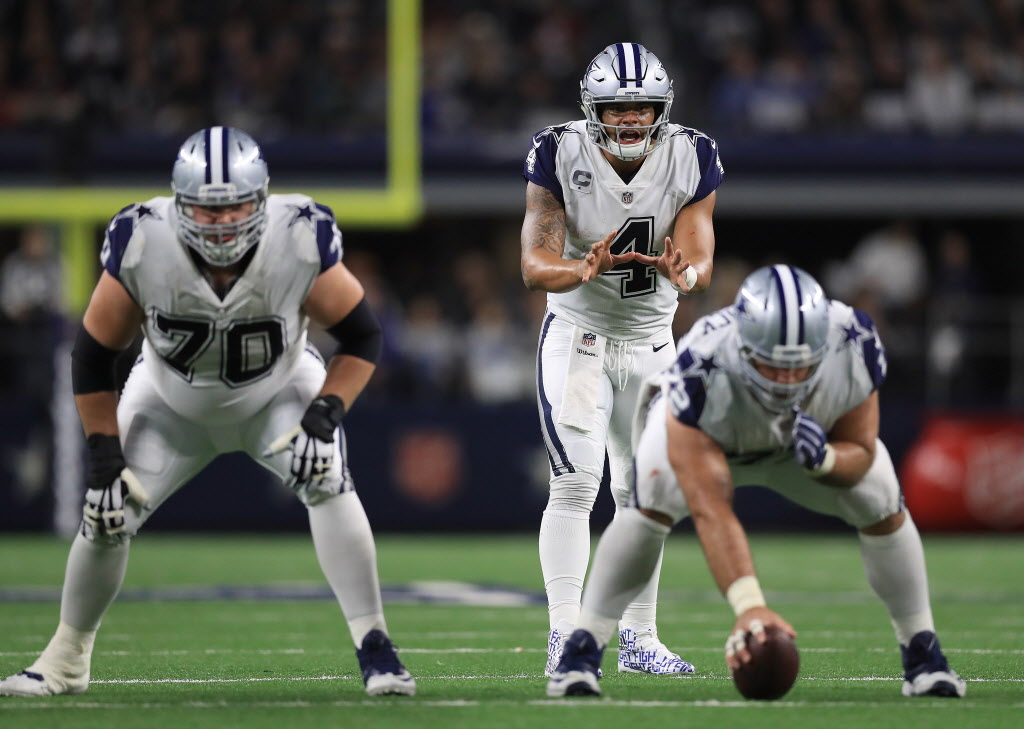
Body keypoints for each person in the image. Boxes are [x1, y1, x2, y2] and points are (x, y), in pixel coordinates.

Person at [0, 127, 415, 698]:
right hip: (171, 400)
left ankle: (377, 648)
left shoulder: (296, 237)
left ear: (261, 200)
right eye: (205, 208)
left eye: (235, 206)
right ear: (180, 203)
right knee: (106, 513)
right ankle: (65, 659)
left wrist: (324, 416)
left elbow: (363, 338)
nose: (221, 221)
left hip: (279, 391)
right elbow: (94, 355)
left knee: (326, 478)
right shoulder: (145, 239)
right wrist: (101, 452)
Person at [546, 264, 966, 699]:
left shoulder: (853, 342)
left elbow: (859, 451)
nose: (786, 381)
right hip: (715, 441)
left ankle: (923, 653)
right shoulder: (702, 367)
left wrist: (824, 459)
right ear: (743, 348)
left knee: (882, 497)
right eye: (772, 366)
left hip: (801, 449)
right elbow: (711, 506)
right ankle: (582, 650)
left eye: (799, 367)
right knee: (645, 508)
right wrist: (749, 606)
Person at [520, 42, 723, 677]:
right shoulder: (559, 150)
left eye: (641, 109)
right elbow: (532, 265)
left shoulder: (692, 154)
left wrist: (683, 274)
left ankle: (640, 638)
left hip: (654, 343)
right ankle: (564, 636)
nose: (631, 120)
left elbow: (700, 257)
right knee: (576, 484)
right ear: (592, 109)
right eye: (617, 108)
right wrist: (578, 268)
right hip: (579, 337)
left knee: (645, 491)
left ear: (661, 109)